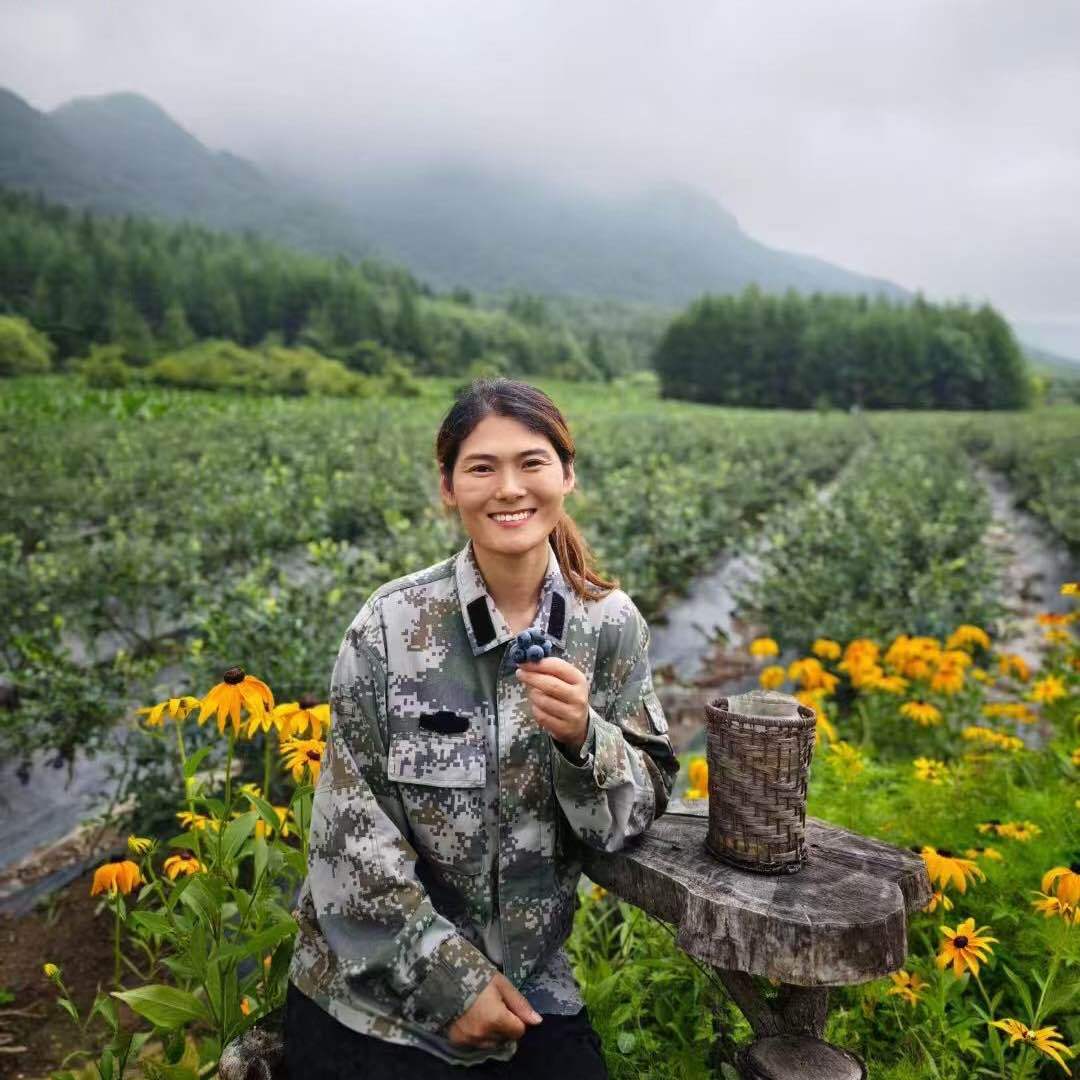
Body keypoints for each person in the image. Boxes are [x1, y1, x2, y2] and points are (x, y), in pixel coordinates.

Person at [285, 378, 679, 1078]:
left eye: (531, 462)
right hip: (377, 990)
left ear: (567, 474)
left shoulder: (608, 626)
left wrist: (584, 741)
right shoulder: (390, 628)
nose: (508, 488)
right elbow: (349, 839)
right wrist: (450, 983)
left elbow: (638, 807)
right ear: (448, 486)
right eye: (481, 467)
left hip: (531, 990)